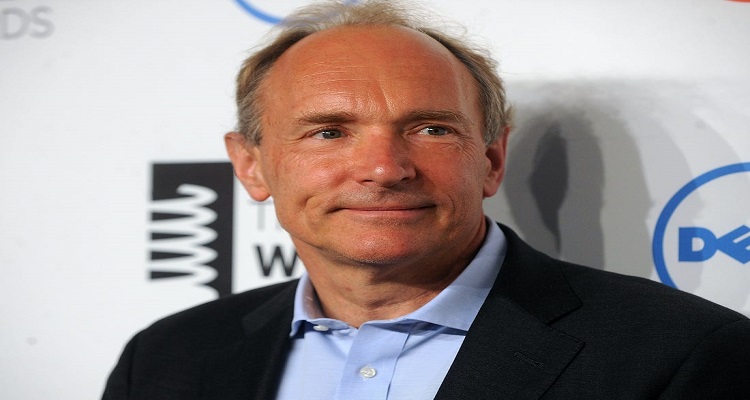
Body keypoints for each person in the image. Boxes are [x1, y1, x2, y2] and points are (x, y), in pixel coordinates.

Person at [102, 1, 750, 399]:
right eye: (329, 132)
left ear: (491, 159)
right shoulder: (165, 360)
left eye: (432, 129)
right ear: (251, 165)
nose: (384, 168)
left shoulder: (684, 356)